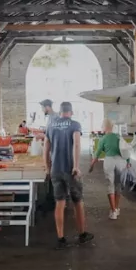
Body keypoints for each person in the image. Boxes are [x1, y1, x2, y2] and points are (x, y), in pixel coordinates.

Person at [44, 101, 93, 248]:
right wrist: (76, 166)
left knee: (60, 203)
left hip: (56, 170)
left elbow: (46, 149)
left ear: (60, 112)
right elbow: (77, 144)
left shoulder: (51, 126)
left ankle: (61, 238)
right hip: (70, 170)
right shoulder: (75, 125)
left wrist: (48, 168)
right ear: (71, 112)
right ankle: (82, 234)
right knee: (78, 201)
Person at [89, 119, 125, 220]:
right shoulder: (118, 137)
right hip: (119, 162)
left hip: (109, 161)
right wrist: (128, 162)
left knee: (110, 185)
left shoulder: (103, 139)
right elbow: (126, 150)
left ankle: (113, 211)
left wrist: (91, 165)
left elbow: (97, 154)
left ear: (105, 127)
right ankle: (117, 208)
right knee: (118, 185)